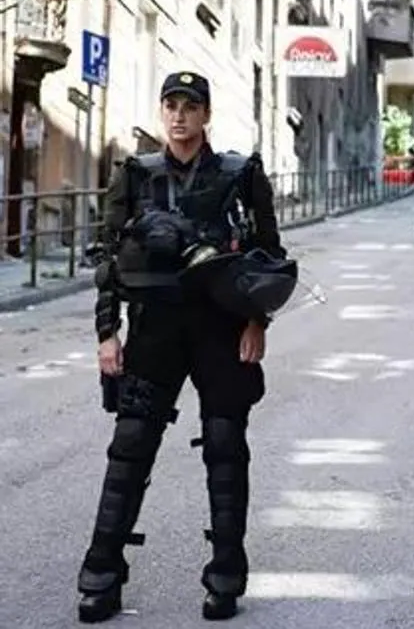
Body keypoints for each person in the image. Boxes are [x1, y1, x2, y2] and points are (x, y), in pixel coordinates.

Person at [77, 71, 294, 623]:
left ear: (206, 116)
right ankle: (100, 577)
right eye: (171, 104)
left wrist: (257, 321)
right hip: (155, 329)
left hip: (221, 326)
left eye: (190, 106)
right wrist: (108, 333)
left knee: (226, 448)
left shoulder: (240, 175)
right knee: (130, 447)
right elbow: (107, 257)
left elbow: (268, 256)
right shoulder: (135, 174)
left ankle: (224, 579)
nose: (179, 115)